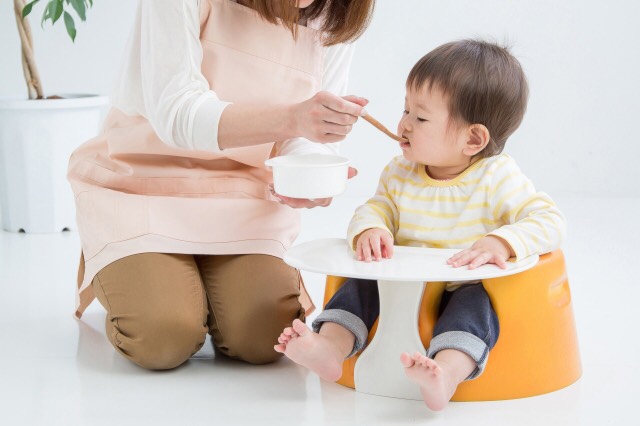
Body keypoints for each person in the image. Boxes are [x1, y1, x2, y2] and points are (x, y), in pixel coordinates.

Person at [67, 0, 375, 370]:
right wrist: (293, 119)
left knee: (266, 340)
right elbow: (176, 113)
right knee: (161, 338)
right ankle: (119, 256)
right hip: (142, 181)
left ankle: (192, 286)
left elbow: (311, 129)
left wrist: (311, 169)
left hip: (244, 193)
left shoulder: (335, 11)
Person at [274, 39, 566, 410]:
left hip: (462, 284)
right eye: (405, 109)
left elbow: (549, 220)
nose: (403, 124)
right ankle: (331, 348)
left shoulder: (496, 177)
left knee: (472, 310)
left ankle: (445, 373)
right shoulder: (400, 172)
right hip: (397, 282)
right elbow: (375, 208)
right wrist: (371, 230)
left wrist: (502, 241)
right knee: (358, 285)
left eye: (421, 117)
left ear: (473, 138)